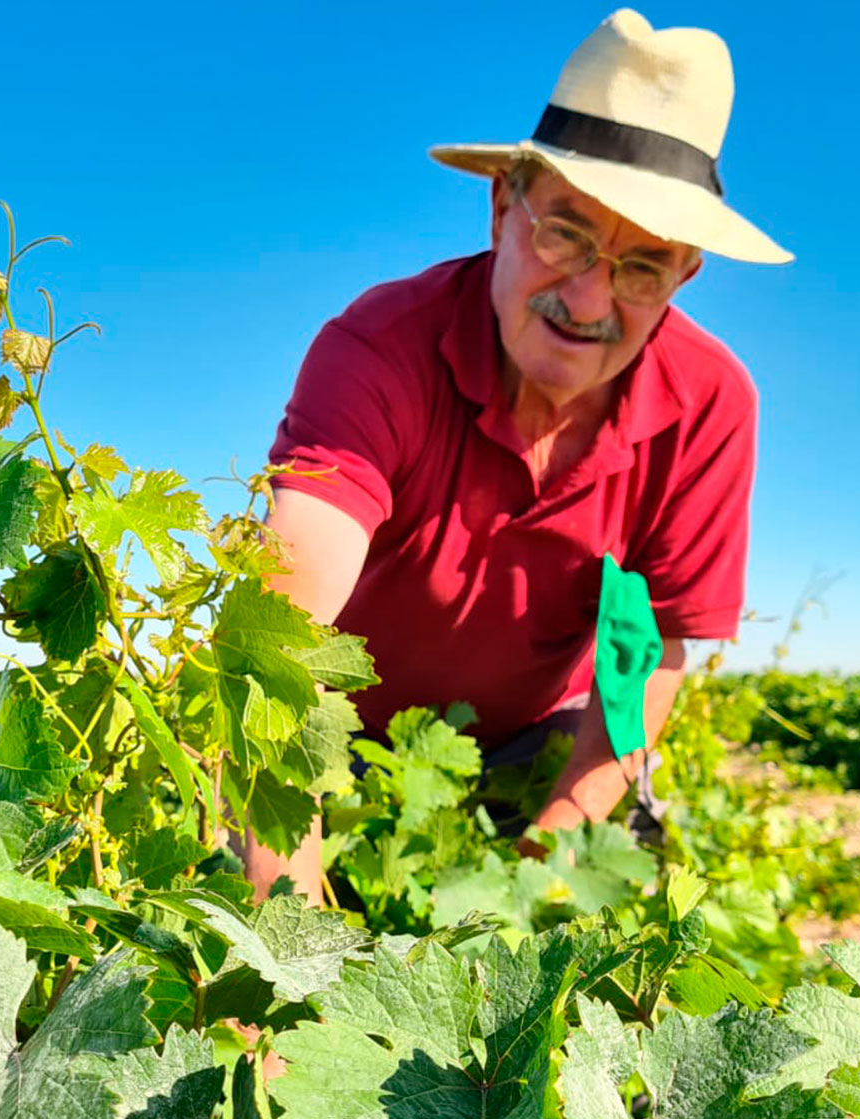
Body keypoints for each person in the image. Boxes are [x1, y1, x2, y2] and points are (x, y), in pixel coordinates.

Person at [249, 10, 791, 903]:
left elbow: (647, 652)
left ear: (685, 275)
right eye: (566, 235)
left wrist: (542, 878)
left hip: (539, 744)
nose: (588, 298)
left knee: (606, 940)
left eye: (641, 267)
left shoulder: (712, 405)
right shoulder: (379, 350)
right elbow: (281, 639)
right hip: (324, 737)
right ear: (504, 207)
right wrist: (283, 941)